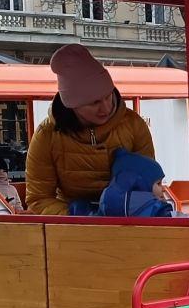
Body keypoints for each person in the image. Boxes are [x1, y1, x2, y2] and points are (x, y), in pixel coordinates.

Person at [25, 45, 156, 215]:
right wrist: (77, 216)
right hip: (71, 227)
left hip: (126, 219)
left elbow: (149, 183)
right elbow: (39, 197)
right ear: (72, 104)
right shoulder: (47, 135)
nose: (106, 108)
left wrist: (125, 210)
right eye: (94, 103)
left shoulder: (134, 125)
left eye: (108, 96)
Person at [98, 148, 176, 218]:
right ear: (140, 184)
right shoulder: (155, 210)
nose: (163, 189)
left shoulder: (104, 205)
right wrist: (164, 206)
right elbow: (179, 222)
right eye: (158, 183)